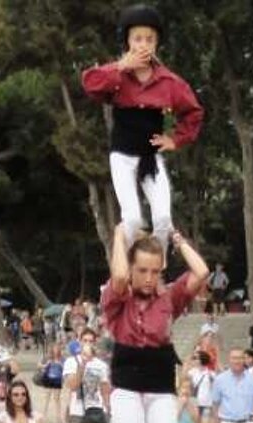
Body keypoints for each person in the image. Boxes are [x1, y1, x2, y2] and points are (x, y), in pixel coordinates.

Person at [102, 225, 208, 423]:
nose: (149, 278)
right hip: (127, 383)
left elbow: (201, 272)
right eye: (143, 270)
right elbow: (120, 276)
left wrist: (177, 240)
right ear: (133, 269)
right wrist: (119, 238)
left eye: (155, 271)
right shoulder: (117, 298)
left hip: (160, 385)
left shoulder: (169, 298)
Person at [82, 2, 203, 250]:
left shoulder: (169, 82)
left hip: (150, 156)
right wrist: (120, 66)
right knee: (133, 218)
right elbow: (90, 83)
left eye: (149, 39)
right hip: (123, 156)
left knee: (162, 218)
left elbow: (193, 111)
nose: (143, 44)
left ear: (157, 43)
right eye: (137, 39)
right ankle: (124, 270)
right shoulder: (117, 75)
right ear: (127, 41)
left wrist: (175, 139)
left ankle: (155, 274)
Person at [63, 329, 111, 423]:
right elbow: (72, 386)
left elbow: (105, 388)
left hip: (97, 409)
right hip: (78, 410)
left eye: (91, 341)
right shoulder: (71, 362)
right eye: (85, 340)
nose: (88, 344)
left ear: (95, 343)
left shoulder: (101, 365)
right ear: (79, 342)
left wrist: (108, 408)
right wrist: (82, 365)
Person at [189, 350, 217, 423]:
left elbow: (215, 389)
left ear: (202, 359)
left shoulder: (211, 374)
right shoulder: (191, 372)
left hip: (206, 404)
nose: (194, 360)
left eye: (196, 358)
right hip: (194, 403)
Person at [37, 341, 65, 423]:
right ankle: (44, 416)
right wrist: (45, 365)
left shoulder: (62, 358)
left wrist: (60, 364)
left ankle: (58, 417)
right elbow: (39, 365)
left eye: (57, 348)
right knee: (47, 398)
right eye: (54, 348)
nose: (56, 350)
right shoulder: (47, 357)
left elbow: (66, 368)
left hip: (57, 379)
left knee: (57, 399)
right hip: (48, 378)